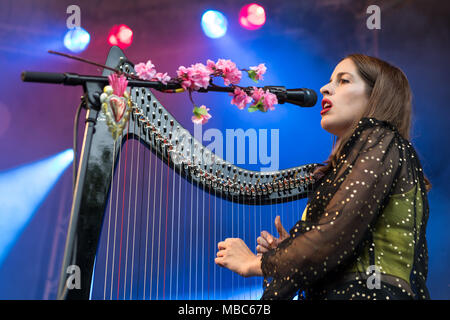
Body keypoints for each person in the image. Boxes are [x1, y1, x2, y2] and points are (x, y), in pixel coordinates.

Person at [214, 53, 431, 300]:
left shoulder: (383, 139)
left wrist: (256, 264)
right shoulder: (346, 167)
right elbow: (336, 245)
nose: (325, 89)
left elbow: (336, 236)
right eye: (330, 81)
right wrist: (290, 252)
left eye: (344, 81)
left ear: (376, 96)